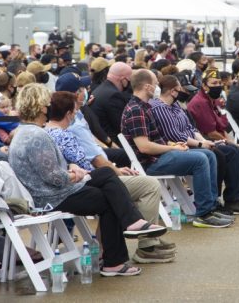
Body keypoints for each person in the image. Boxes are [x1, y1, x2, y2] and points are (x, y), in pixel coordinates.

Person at [10, 83, 166, 277]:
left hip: (47, 193)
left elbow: (45, 170)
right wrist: (75, 174)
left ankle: (128, 230)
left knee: (107, 176)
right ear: (41, 107)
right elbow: (54, 178)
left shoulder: (24, 132)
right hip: (53, 197)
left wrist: (70, 168)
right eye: (48, 103)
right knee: (110, 195)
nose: (50, 106)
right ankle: (117, 255)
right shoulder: (36, 136)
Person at [46, 91, 176, 264]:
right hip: (80, 183)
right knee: (148, 185)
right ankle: (144, 244)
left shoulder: (48, 132)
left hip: (68, 185)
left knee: (116, 190)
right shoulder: (67, 132)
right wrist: (115, 171)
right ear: (68, 113)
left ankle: (117, 245)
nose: (78, 112)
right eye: (76, 109)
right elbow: (88, 164)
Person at [121, 69, 232, 228]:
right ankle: (204, 213)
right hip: (151, 162)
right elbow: (144, 147)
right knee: (200, 159)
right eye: (155, 84)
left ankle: (210, 206)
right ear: (147, 87)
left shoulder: (144, 107)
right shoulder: (136, 110)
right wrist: (171, 149)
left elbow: (154, 140)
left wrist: (173, 146)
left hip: (159, 156)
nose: (158, 87)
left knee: (208, 155)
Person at [151, 74, 239, 214]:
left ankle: (236, 198)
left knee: (235, 151)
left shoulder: (176, 104)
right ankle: (214, 201)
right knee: (218, 154)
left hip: (194, 141)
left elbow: (191, 128)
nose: (184, 92)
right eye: (180, 89)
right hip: (180, 145)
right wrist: (202, 144)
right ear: (172, 91)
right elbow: (175, 135)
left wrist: (203, 141)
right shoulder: (162, 107)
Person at [90, 62, 133, 144]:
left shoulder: (101, 89)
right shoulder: (113, 95)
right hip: (115, 143)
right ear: (123, 79)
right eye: (129, 80)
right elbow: (122, 126)